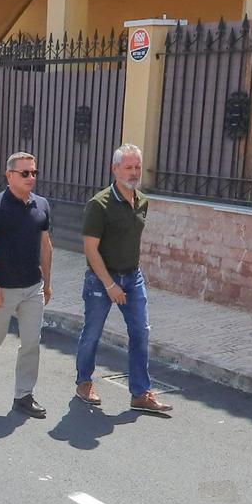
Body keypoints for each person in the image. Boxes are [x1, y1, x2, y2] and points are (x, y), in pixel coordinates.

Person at [77, 144, 172, 416]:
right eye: (128, 167)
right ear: (115, 169)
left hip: (133, 277)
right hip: (101, 281)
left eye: (137, 167)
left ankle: (140, 393)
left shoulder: (142, 200)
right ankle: (84, 382)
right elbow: (90, 249)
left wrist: (126, 281)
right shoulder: (99, 204)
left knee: (140, 333)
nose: (133, 172)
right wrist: (110, 285)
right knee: (92, 333)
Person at [0, 152, 53, 419]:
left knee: (31, 342)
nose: (31, 178)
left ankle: (23, 396)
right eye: (25, 173)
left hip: (32, 288)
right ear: (9, 175)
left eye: (34, 173)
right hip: (2, 288)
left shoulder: (41, 205)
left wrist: (47, 284)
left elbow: (46, 246)